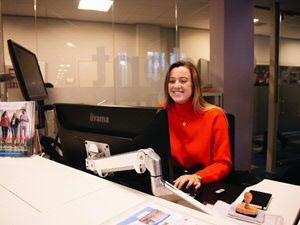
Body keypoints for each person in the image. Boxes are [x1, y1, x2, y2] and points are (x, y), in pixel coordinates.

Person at [158, 60, 232, 191]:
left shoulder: (214, 115)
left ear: (194, 85)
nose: (176, 85)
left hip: (202, 184)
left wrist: (199, 176)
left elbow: (223, 164)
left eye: (183, 80)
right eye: (172, 81)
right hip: (169, 183)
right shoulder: (160, 113)